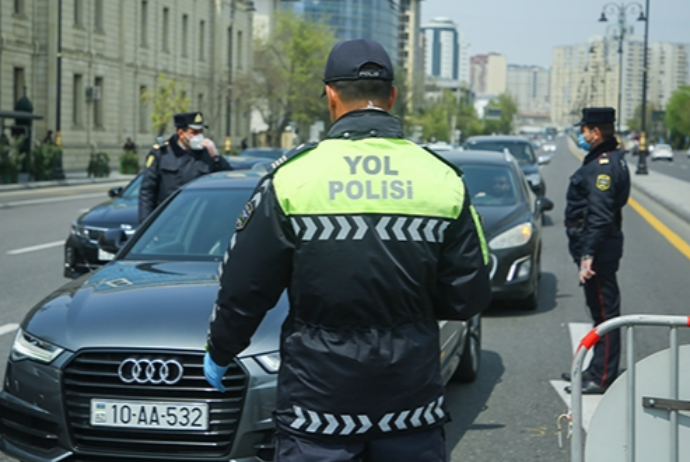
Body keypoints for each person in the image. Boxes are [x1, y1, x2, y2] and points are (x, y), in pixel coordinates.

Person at [204, 38, 492, 462]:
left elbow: (244, 287)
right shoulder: (442, 178)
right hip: (409, 407)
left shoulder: (292, 179)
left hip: (318, 411)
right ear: (392, 97)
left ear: (332, 96)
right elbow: (468, 296)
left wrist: (221, 350)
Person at [563, 107, 630, 394]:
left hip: (599, 252)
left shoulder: (603, 166)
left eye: (585, 130)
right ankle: (595, 367)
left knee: (605, 315)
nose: (581, 134)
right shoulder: (610, 159)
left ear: (596, 132)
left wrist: (587, 255)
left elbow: (600, 215)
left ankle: (601, 377)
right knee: (600, 312)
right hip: (601, 248)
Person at [138, 111, 231, 221]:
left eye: (201, 132)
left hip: (199, 222)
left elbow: (228, 180)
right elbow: (147, 193)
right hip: (168, 221)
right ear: (181, 133)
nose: (199, 136)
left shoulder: (207, 154)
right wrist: (146, 226)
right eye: (194, 132)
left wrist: (216, 157)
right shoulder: (162, 154)